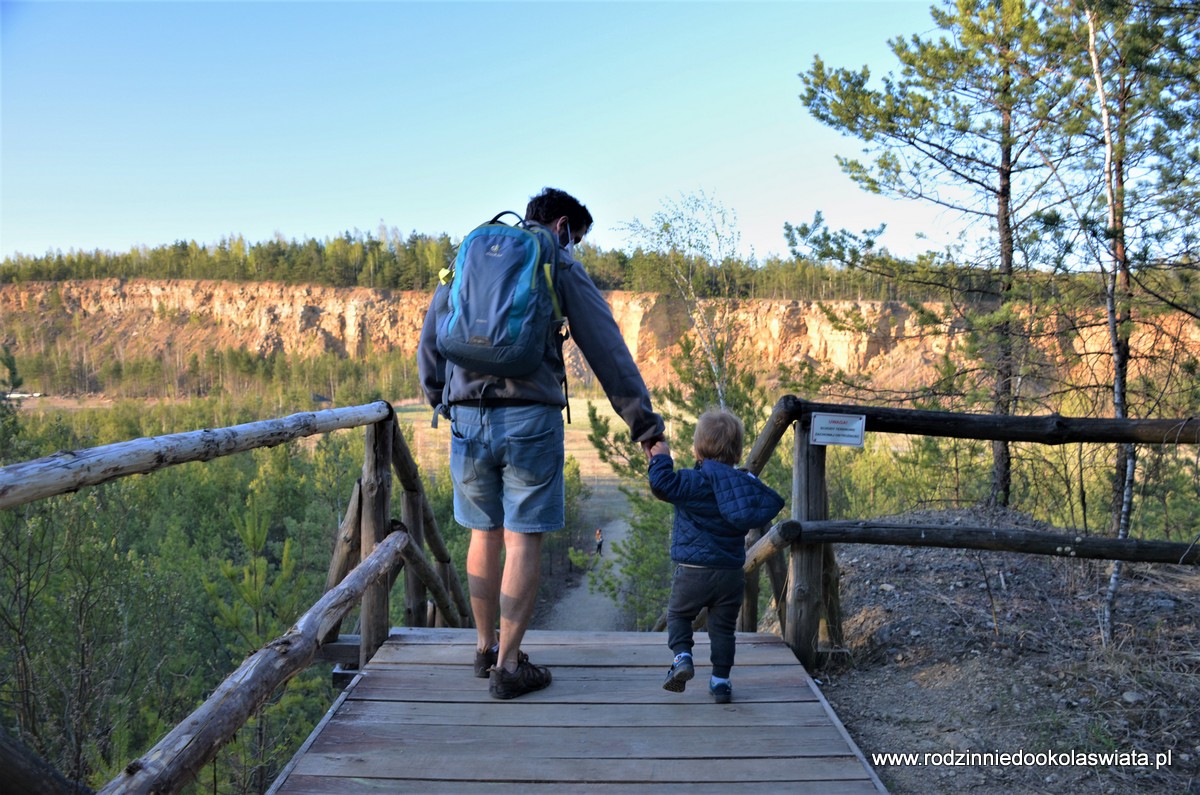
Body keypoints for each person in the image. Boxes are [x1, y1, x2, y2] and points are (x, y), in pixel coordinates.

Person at [419, 187, 664, 700]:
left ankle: (485, 648)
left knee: (482, 536)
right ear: (561, 227)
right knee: (522, 538)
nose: (576, 249)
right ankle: (509, 667)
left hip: (466, 415)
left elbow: (434, 331)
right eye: (576, 238)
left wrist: (442, 397)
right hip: (529, 418)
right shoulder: (556, 262)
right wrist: (647, 430)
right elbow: (607, 348)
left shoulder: (472, 255)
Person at [648, 408, 784, 704]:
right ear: (736, 451)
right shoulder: (743, 484)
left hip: (693, 571)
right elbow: (768, 501)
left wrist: (660, 456)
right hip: (731, 574)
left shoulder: (691, 482)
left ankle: (682, 657)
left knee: (679, 615)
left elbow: (661, 484)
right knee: (723, 629)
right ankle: (721, 682)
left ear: (697, 448)